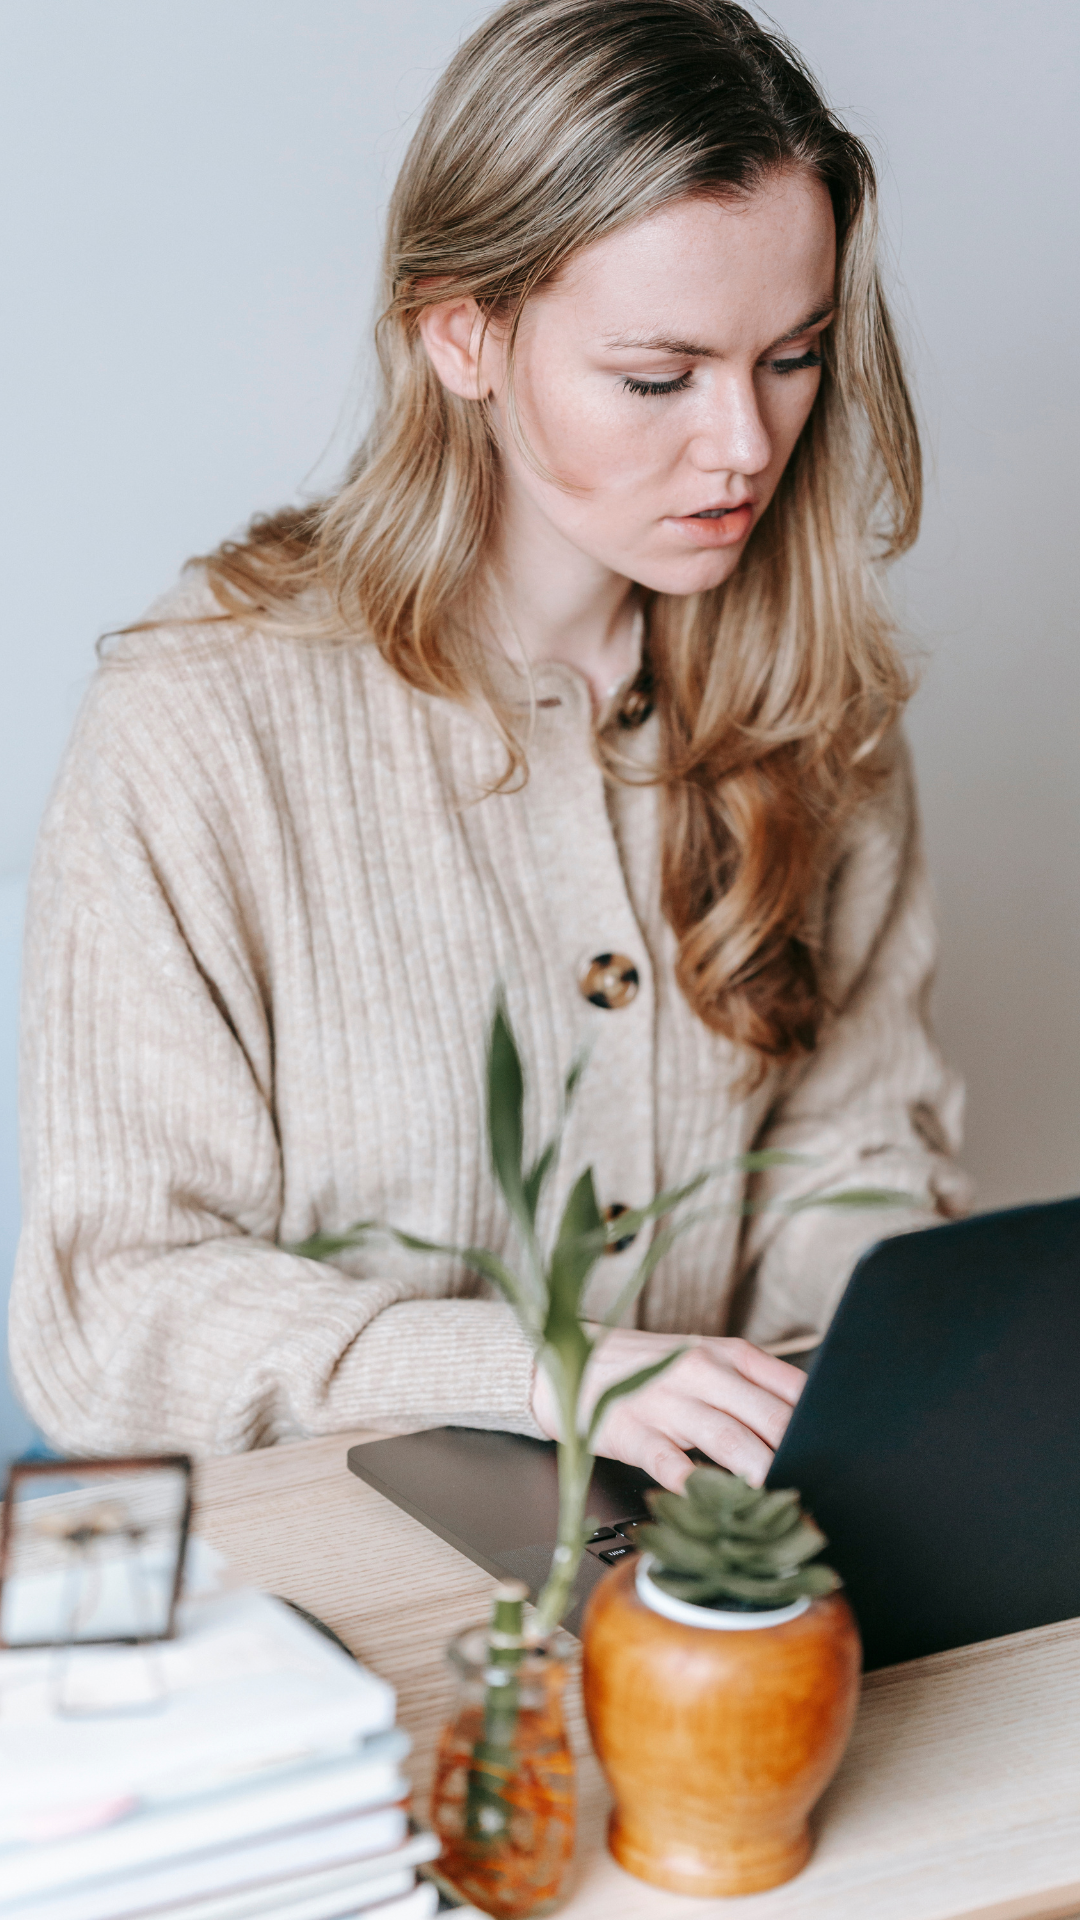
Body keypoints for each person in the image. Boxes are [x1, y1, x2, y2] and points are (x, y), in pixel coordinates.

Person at [11, 0, 969, 1491]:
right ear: (460, 332)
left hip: (691, 1576)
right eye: (659, 376)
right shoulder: (202, 718)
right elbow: (115, 1316)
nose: (743, 444)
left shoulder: (815, 698)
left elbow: (856, 1162)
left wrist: (842, 1385)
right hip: (319, 1600)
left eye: (794, 355)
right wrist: (544, 1374)